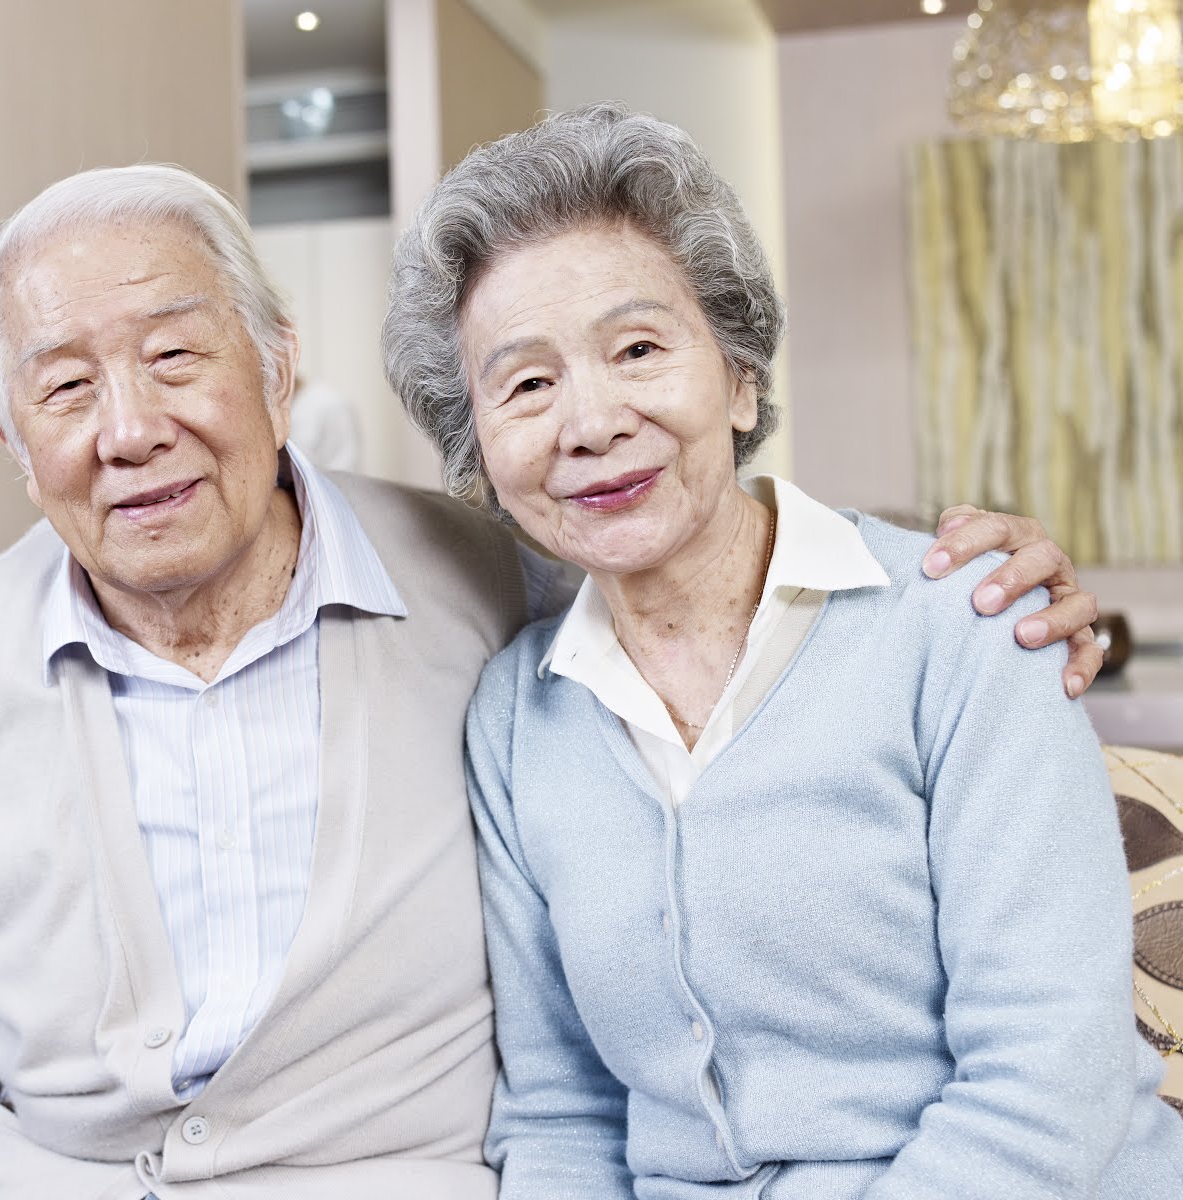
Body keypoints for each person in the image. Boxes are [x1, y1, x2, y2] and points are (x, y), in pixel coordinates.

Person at [0, 162, 1100, 1200]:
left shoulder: (480, 579)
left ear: (280, 365)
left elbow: (702, 554)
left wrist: (978, 576)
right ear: (12, 436)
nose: (129, 429)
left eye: (175, 356)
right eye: (64, 387)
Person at [381, 103, 1183, 1200]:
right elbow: (561, 1112)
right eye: (525, 383)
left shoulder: (962, 622)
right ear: (480, 452)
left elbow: (1050, 1075)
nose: (590, 420)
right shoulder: (516, 720)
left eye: (639, 349)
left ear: (740, 376)